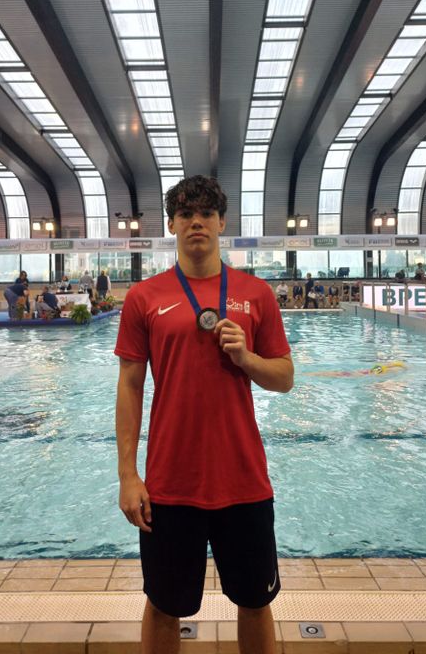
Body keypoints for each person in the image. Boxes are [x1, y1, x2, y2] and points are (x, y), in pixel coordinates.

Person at [114, 175, 293, 654]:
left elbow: (284, 377)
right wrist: (128, 475)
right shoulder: (144, 297)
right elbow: (130, 387)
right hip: (170, 483)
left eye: (207, 214)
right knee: (163, 605)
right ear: (172, 225)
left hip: (244, 481)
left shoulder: (256, 294)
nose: (197, 222)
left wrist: (247, 358)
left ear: (222, 223)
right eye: (186, 214)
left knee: (255, 601)